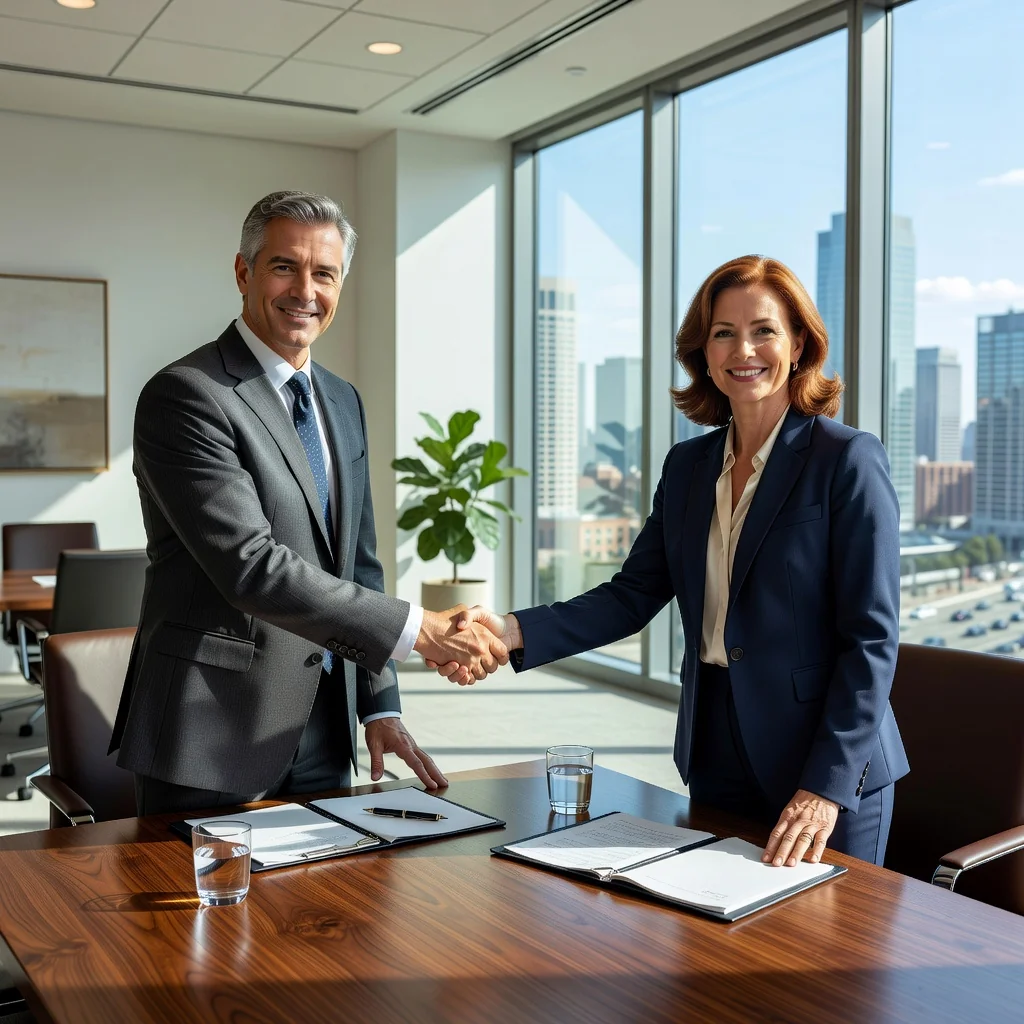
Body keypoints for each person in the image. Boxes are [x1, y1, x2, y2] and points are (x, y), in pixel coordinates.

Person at [434, 255, 909, 867]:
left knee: (825, 959)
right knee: (714, 946)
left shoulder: (846, 460)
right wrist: (510, 631)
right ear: (704, 354)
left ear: (798, 344)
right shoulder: (687, 468)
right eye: (724, 332)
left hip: (824, 768)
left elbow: (871, 640)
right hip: (715, 749)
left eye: (764, 330)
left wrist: (825, 787)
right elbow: (631, 595)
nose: (745, 349)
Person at [110, 191, 507, 816]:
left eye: (324, 273)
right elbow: (251, 566)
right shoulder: (188, 395)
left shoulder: (341, 399)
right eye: (283, 267)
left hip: (325, 728)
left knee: (326, 911)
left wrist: (379, 703)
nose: (305, 290)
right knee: (201, 914)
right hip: (213, 729)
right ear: (244, 273)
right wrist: (418, 629)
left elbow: (359, 562)